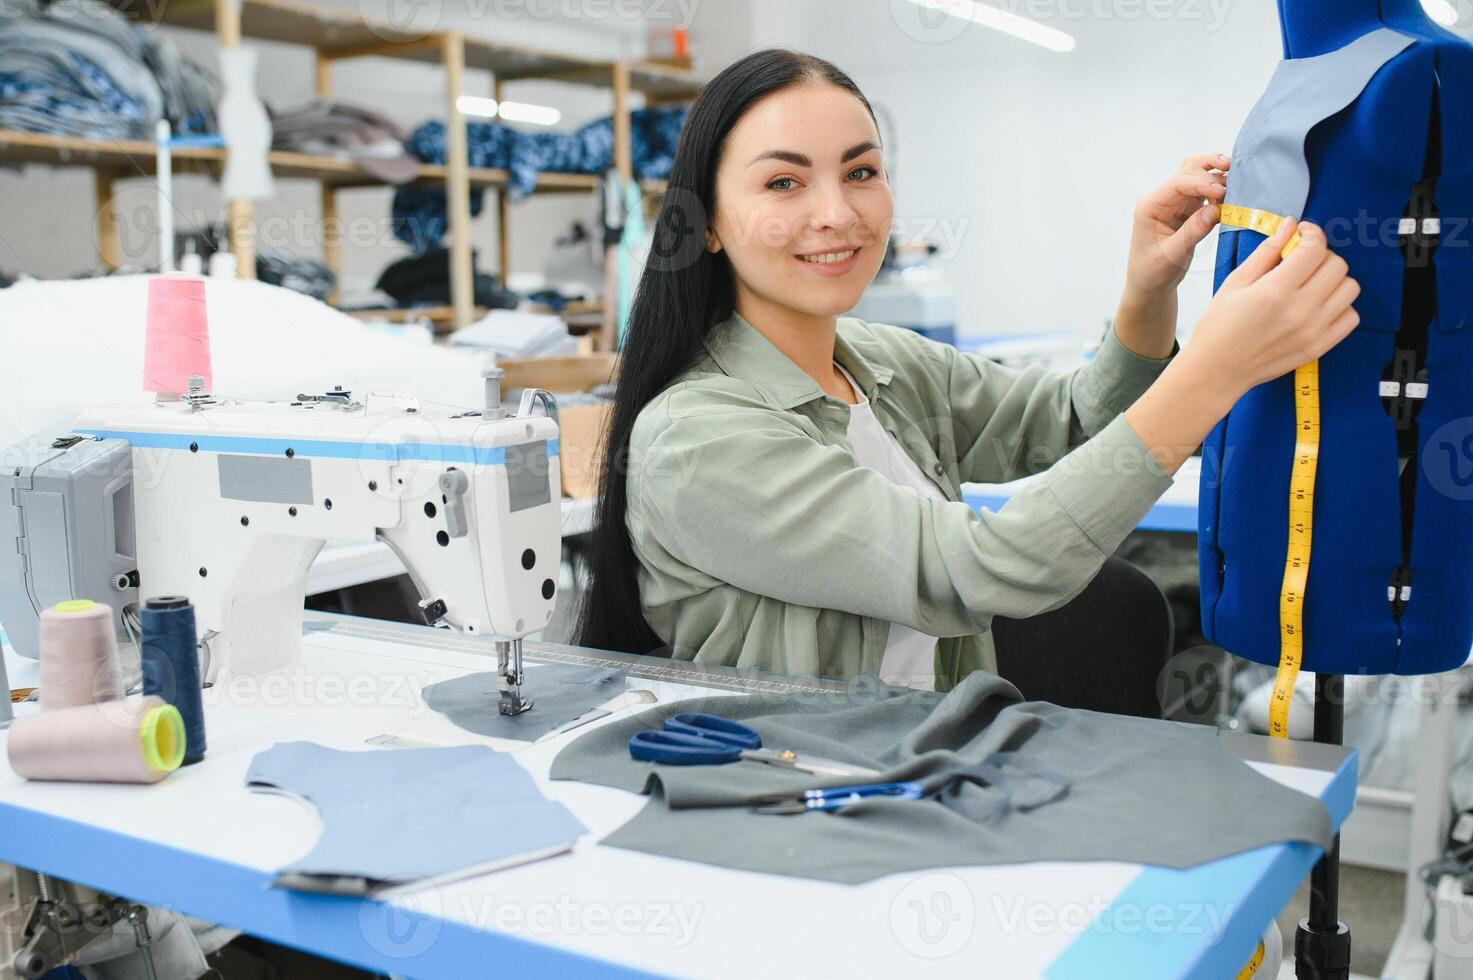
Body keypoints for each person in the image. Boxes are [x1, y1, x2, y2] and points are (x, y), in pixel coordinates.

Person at [574, 48, 1359, 692]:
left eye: (860, 171)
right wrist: (1215, 371)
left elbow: (1073, 421)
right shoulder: (694, 437)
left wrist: (1147, 291)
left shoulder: (877, 362)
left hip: (931, 761)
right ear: (705, 223)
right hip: (800, 807)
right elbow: (971, 569)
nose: (838, 213)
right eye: (783, 182)